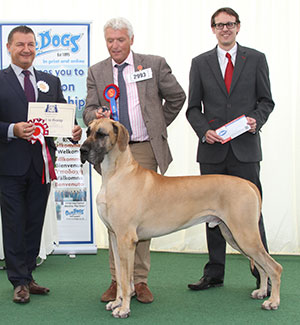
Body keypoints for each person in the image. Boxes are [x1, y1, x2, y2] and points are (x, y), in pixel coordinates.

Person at [83, 17, 186, 304]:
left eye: (120, 39)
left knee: (139, 219)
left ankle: (139, 281)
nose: (115, 45)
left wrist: (157, 126)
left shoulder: (152, 64)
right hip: (109, 150)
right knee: (116, 219)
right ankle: (118, 281)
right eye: (110, 40)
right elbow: (89, 109)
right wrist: (96, 117)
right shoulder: (97, 71)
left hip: (141, 148)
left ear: (131, 40)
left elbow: (177, 96)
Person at [186, 8, 274, 292]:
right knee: (210, 215)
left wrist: (255, 121)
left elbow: (266, 101)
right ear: (212, 29)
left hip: (246, 151)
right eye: (219, 25)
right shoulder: (199, 63)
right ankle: (214, 272)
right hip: (212, 152)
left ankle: (263, 273)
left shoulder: (256, 59)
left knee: (251, 214)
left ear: (238, 27)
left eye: (230, 24)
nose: (225, 29)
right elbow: (192, 108)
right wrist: (204, 131)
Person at [0, 25, 82, 303]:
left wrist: (74, 130)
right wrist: (12, 129)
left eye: (31, 45)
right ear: (8, 47)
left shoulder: (51, 80)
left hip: (42, 165)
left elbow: (64, 116)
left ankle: (29, 275)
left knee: (34, 222)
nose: (26, 49)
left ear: (36, 48)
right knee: (13, 224)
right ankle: (18, 281)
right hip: (9, 167)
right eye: (20, 44)